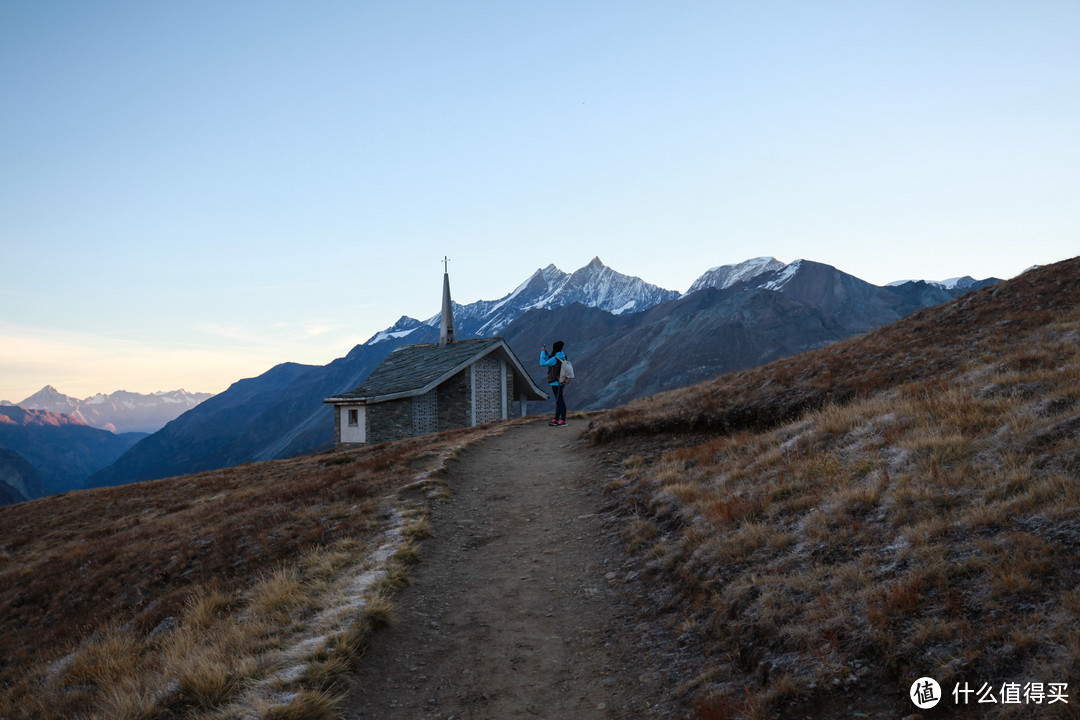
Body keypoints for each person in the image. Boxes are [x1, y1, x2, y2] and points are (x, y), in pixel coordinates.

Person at [540, 341, 568, 426]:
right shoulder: (562, 356)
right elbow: (550, 358)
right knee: (559, 400)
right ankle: (556, 419)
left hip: (556, 382)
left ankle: (562, 420)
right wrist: (546, 353)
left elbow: (543, 364)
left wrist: (542, 353)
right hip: (561, 381)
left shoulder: (555, 359)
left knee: (560, 401)